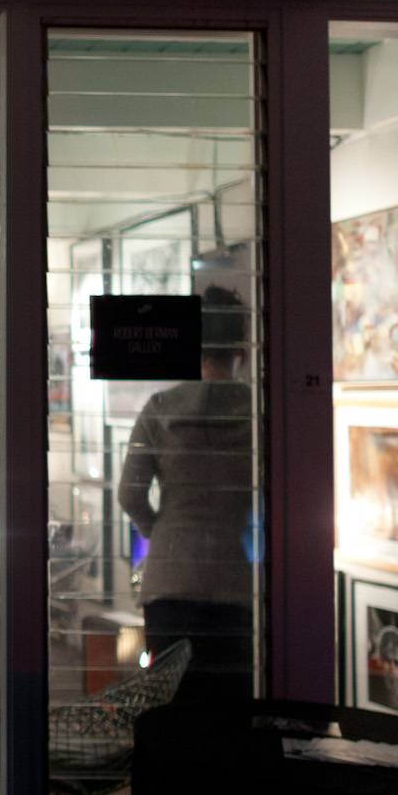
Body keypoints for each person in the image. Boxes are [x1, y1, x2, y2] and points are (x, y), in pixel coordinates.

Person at [117, 284, 255, 706]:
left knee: (170, 706)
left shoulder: (161, 407)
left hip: (169, 575)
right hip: (233, 575)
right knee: (228, 706)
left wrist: (159, 530)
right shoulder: (258, 411)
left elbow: (129, 494)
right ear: (241, 350)